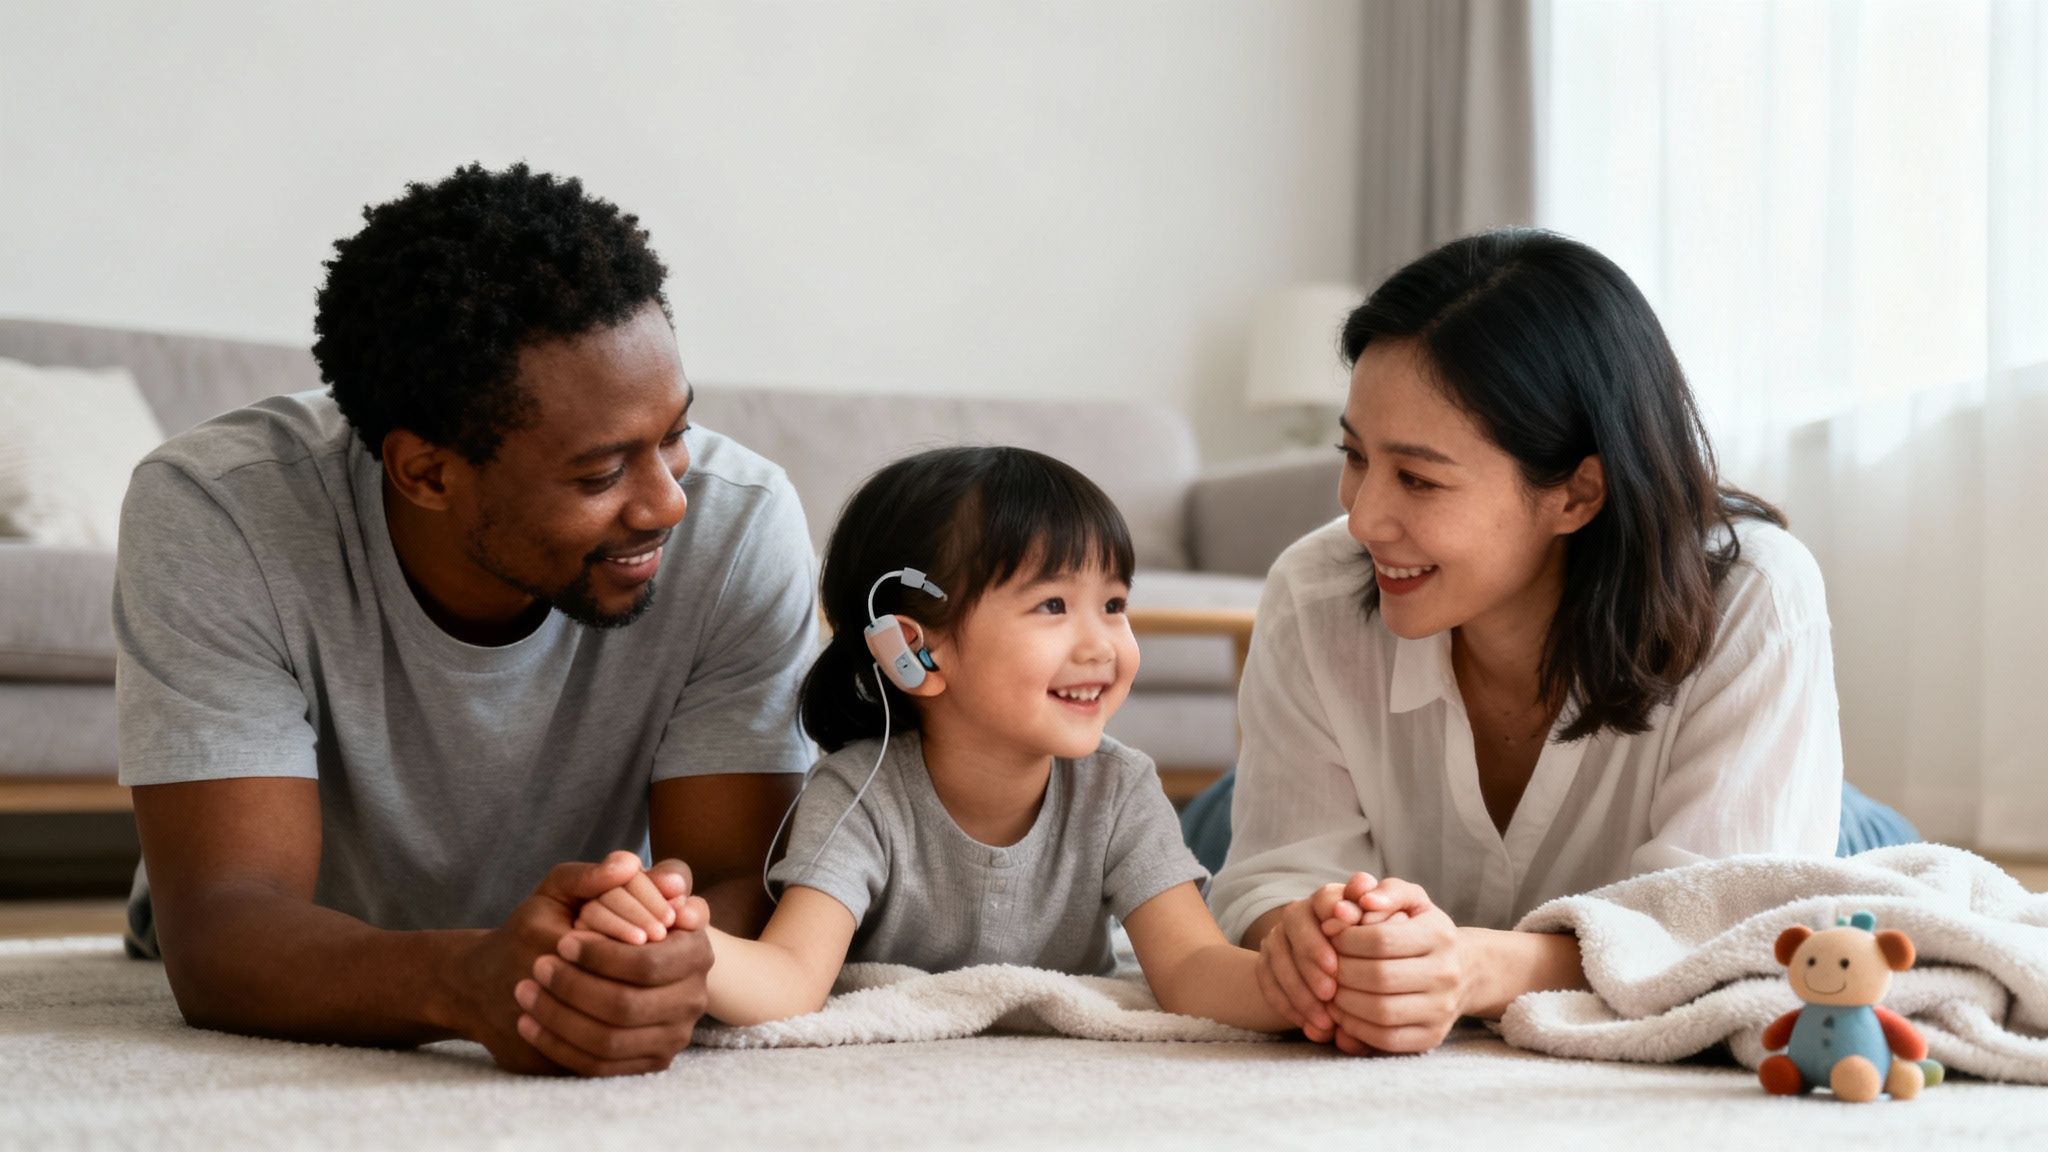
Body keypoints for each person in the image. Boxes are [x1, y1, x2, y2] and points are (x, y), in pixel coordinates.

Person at [115, 163, 818, 1076]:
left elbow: (736, 880)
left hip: (599, 915)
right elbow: (223, 931)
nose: (667, 504)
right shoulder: (220, 511)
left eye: (675, 433)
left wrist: (639, 961)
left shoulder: (740, 521)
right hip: (312, 937)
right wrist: (469, 980)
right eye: (601, 473)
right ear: (427, 474)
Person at [1203, 228, 1912, 1057]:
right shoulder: (1316, 588)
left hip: (1805, 824)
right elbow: (1278, 874)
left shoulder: (1754, 593)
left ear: (1577, 493)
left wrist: (1477, 967)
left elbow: (1729, 927)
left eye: (1419, 479)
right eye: (1354, 456)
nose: (1362, 518)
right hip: (1274, 797)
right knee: (1193, 837)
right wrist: (1311, 938)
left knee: (1854, 920)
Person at [565, 446, 1292, 1032]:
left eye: (1113, 604)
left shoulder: (1119, 786)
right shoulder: (859, 794)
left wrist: (1302, 984)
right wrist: (680, 938)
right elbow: (788, 979)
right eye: (1053, 604)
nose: (1103, 643)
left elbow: (1192, 966)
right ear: (914, 651)